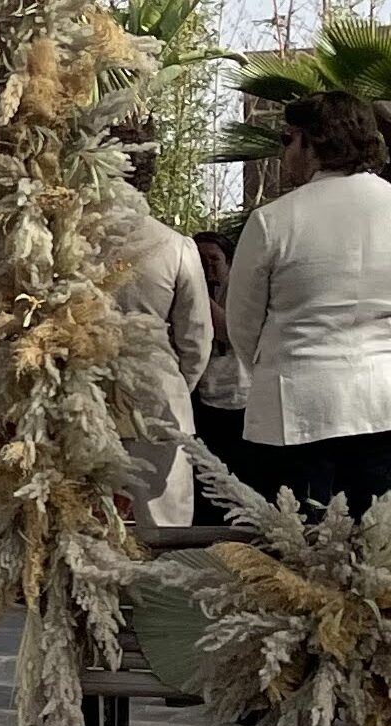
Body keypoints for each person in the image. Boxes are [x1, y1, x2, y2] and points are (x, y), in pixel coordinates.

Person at [226, 90, 391, 520]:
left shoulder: (275, 220)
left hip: (296, 408)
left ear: (313, 140)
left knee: (298, 545)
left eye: (287, 139)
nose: (284, 153)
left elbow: (242, 323)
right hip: (382, 403)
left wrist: (271, 368)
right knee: (377, 544)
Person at [107, 125, 212, 530]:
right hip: (157, 397)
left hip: (83, 393)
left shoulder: (71, 240)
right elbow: (196, 339)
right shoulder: (175, 246)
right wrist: (176, 384)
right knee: (164, 526)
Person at [191, 232, 260, 526]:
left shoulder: (241, 292)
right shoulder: (187, 288)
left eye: (214, 260)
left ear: (229, 263)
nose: (208, 268)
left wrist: (198, 292)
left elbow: (227, 332)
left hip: (240, 396)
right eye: (200, 260)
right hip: (204, 395)